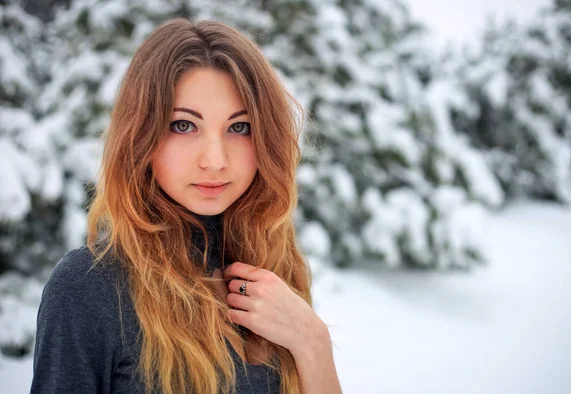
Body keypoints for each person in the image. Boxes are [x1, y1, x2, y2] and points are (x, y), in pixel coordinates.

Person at [30, 18, 342, 394]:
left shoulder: (274, 268)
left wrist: (313, 343)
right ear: (141, 135)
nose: (214, 160)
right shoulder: (89, 286)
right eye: (183, 126)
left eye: (239, 127)